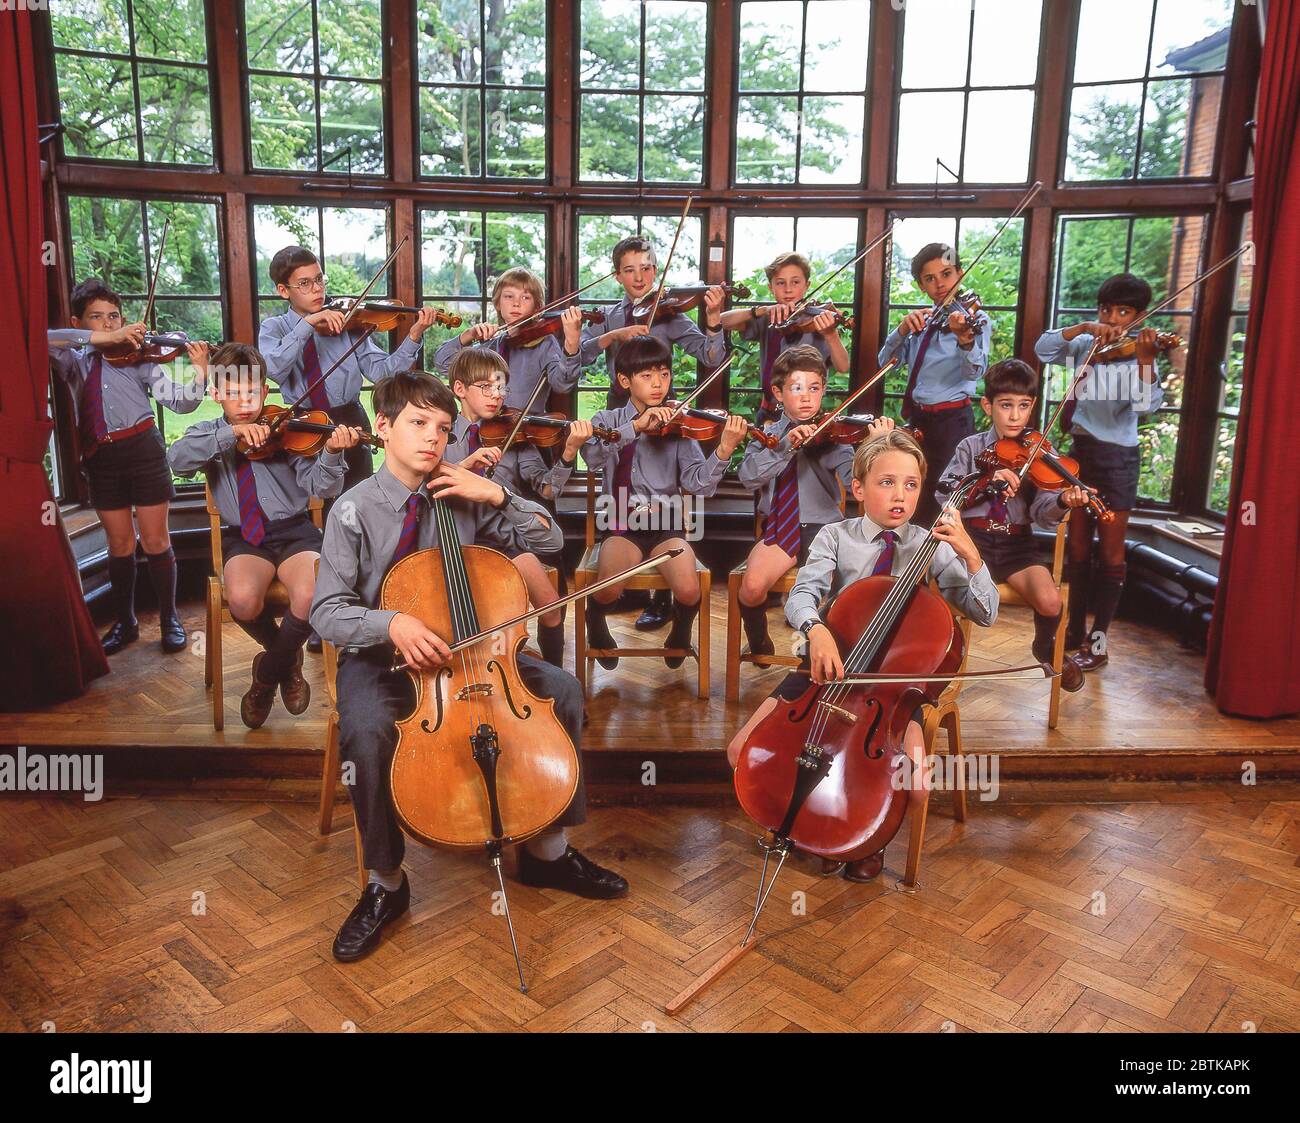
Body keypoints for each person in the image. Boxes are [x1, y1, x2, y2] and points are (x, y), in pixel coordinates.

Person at [311, 370, 627, 963]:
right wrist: (392, 624)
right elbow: (327, 612)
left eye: (442, 428)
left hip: (477, 656)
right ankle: (385, 882)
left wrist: (500, 496)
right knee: (367, 731)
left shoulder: (465, 494)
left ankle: (547, 853)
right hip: (383, 660)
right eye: (417, 423)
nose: (433, 439)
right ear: (383, 428)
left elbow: (553, 541)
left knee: (562, 690)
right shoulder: (352, 511)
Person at [727, 427, 998, 881]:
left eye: (911, 485)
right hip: (825, 672)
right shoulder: (835, 536)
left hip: (891, 693)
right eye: (886, 482)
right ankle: (805, 823)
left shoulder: (932, 547)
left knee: (915, 785)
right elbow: (801, 596)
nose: (900, 495)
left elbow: (984, 613)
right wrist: (816, 630)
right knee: (740, 751)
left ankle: (866, 840)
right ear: (858, 488)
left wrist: (971, 556)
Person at [169, 343, 361, 727]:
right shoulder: (208, 433)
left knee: (311, 593)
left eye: (253, 392)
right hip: (245, 537)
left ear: (266, 391)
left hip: (295, 534)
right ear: (216, 393)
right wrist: (230, 435)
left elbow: (322, 489)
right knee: (241, 600)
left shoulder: (287, 430)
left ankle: (264, 680)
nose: (245, 402)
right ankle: (286, 662)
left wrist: (333, 455)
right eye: (234, 393)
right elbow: (176, 460)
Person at [47, 277, 207, 656]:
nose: (107, 324)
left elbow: (181, 404)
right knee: (119, 544)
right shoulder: (73, 358)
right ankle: (126, 621)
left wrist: (199, 370)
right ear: (79, 321)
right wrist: (98, 341)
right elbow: (46, 337)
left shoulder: (139, 358)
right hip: (102, 456)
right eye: (96, 317)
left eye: (113, 316)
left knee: (155, 540)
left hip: (143, 451)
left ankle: (170, 619)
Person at [579, 336, 746, 671]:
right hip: (621, 526)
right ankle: (595, 621)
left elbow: (698, 484)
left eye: (665, 374)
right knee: (608, 589)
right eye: (647, 376)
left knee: (687, 589)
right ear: (625, 381)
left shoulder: (679, 425)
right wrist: (634, 428)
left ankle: (680, 632)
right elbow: (591, 457)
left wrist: (724, 450)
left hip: (666, 527)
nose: (658, 383)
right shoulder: (607, 420)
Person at [1034, 272, 1164, 671]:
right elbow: (1043, 348)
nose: (1112, 317)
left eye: (1123, 311)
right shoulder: (1089, 344)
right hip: (1080, 454)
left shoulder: (1140, 356)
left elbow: (1147, 407)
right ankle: (1074, 629)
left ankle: (1099, 641)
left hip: (1118, 459)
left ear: (1139, 316)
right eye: (1106, 309)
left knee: (1109, 552)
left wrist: (1144, 361)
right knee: (1076, 547)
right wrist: (1086, 327)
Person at [938, 358, 1091, 693]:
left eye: (1023, 407)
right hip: (972, 541)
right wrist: (985, 479)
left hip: (1016, 546)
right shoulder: (971, 447)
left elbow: (1042, 515)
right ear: (988, 405)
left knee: (1051, 601)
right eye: (1006, 406)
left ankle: (1044, 647)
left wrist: (1064, 501)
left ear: (1032, 407)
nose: (1014, 416)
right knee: (940, 593)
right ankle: (938, 657)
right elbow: (943, 493)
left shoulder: (1040, 452)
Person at [442, 347, 579, 668]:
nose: (496, 395)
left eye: (501, 387)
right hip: (454, 543)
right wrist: (466, 466)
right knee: (501, 614)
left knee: (550, 604)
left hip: (504, 542)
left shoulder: (516, 439)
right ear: (459, 389)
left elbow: (547, 487)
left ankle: (553, 676)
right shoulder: (442, 435)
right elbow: (429, 484)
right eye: (485, 387)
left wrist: (569, 454)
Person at [734, 345, 865, 657]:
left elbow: (855, 485)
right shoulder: (766, 435)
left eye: (814, 388)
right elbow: (748, 477)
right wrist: (783, 448)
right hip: (781, 527)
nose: (807, 397)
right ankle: (757, 636)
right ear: (778, 393)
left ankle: (827, 652)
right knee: (751, 589)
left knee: (844, 591)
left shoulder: (834, 435)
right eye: (796, 388)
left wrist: (871, 450)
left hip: (826, 531)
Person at [878, 242, 991, 525]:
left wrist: (965, 341)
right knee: (913, 495)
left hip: (952, 422)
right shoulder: (923, 321)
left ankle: (939, 567)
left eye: (947, 274)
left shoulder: (975, 319)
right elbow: (884, 362)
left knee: (945, 502)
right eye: (930, 278)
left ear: (960, 274)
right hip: (918, 421)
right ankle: (911, 566)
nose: (940, 284)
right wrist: (902, 329)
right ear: (921, 285)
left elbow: (975, 372)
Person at [718, 250, 850, 422]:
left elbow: (843, 366)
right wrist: (761, 310)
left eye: (795, 282)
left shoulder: (818, 320)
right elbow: (720, 322)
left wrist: (831, 335)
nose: (788, 289)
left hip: (805, 415)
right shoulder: (769, 317)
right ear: (770, 288)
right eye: (780, 283)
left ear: (807, 285)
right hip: (769, 413)